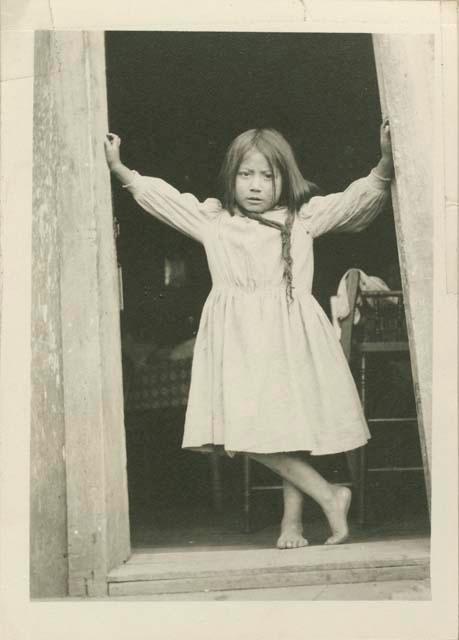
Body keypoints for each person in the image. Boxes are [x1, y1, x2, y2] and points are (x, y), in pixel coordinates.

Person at [104, 120, 393, 548]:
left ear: (284, 178)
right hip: (238, 341)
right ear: (231, 177)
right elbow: (165, 200)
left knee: (287, 427)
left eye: (267, 175)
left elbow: (356, 201)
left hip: (289, 336)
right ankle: (328, 494)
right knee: (245, 430)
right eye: (246, 174)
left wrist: (386, 162)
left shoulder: (302, 220)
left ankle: (291, 524)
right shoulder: (215, 223)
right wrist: (121, 170)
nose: (256, 185)